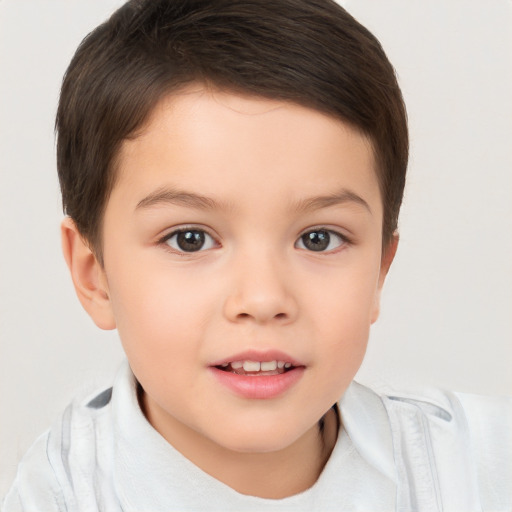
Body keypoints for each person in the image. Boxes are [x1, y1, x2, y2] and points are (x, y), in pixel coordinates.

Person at [2, 0, 510, 510]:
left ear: (379, 270)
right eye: (190, 239)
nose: (263, 299)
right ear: (95, 277)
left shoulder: (477, 468)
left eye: (318, 238)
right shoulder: (56, 495)